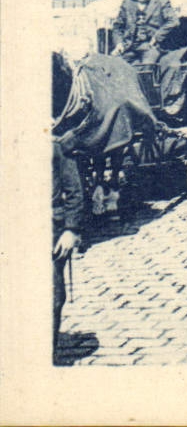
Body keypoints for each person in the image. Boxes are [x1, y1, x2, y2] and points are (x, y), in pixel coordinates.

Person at [53, 136, 85, 352]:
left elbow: (75, 193)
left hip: (50, 232)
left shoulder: (56, 148)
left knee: (52, 295)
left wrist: (71, 230)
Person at [111, 0, 178, 68]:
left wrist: (157, 37)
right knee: (113, 65)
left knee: (147, 67)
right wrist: (119, 44)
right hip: (129, 46)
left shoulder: (162, 2)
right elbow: (117, 27)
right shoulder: (128, 3)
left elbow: (174, 21)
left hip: (150, 46)